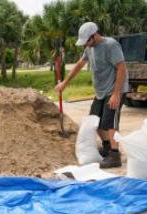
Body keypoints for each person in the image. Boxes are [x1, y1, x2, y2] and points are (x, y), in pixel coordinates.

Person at [55, 22, 129, 168]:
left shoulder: (111, 45)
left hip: (114, 90)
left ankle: (115, 155)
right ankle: (107, 147)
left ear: (94, 35)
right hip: (101, 92)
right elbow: (79, 65)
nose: (86, 45)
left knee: (110, 123)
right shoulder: (90, 48)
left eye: (87, 41)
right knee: (94, 121)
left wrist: (116, 94)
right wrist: (65, 83)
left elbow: (121, 69)